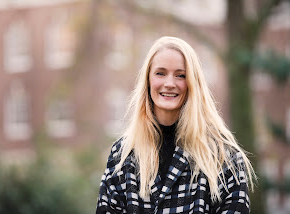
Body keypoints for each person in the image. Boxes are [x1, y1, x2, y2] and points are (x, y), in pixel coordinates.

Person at [96, 36, 255, 214]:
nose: (169, 84)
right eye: (160, 73)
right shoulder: (122, 155)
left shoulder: (224, 156)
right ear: (148, 80)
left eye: (180, 75)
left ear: (192, 83)